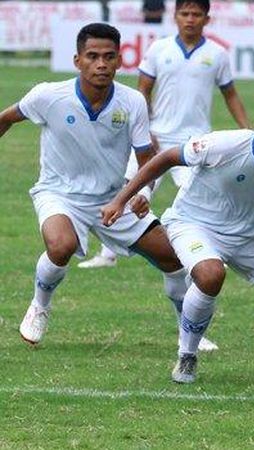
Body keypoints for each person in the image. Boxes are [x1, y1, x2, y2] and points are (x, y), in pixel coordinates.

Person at [101, 92, 254, 384]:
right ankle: (186, 357)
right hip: (193, 224)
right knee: (211, 274)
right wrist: (122, 199)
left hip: (251, 236)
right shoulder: (225, 145)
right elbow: (165, 158)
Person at [0, 23, 191, 347]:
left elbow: (147, 157)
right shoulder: (49, 95)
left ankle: (189, 332)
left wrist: (143, 192)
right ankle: (40, 306)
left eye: (108, 56)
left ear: (119, 61)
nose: (101, 64)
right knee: (60, 245)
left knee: (173, 257)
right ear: (78, 60)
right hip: (59, 194)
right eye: (92, 56)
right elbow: (6, 118)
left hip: (114, 199)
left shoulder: (132, 102)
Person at [80, 0, 250, 275]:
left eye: (196, 14)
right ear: (175, 16)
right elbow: (143, 90)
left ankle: (202, 251)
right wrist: (145, 128)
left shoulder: (218, 53)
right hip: (156, 137)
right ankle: (108, 254)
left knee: (195, 198)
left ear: (207, 19)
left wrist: (246, 130)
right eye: (185, 13)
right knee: (127, 188)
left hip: (194, 143)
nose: (190, 19)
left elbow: (229, 93)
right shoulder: (159, 48)